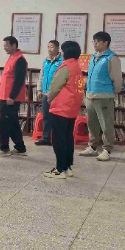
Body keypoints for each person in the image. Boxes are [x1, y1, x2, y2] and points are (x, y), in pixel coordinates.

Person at [80, 32, 122, 161]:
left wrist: (114, 92)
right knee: (91, 123)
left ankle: (107, 150)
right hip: (90, 95)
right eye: (94, 41)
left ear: (105, 43)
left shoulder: (112, 58)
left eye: (97, 41)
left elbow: (117, 78)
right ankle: (92, 147)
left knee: (106, 124)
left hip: (104, 96)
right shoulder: (93, 57)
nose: (94, 44)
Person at [43, 41, 82, 180]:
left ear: (66, 52)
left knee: (58, 139)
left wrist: (49, 98)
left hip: (61, 107)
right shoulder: (77, 66)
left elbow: (55, 86)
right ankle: (67, 167)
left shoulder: (65, 66)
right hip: (72, 107)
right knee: (67, 137)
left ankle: (59, 169)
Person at [0, 36, 28, 158]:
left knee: (4, 123)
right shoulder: (12, 57)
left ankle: (4, 148)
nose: (5, 48)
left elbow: (19, 80)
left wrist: (12, 97)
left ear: (14, 45)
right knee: (12, 123)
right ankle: (20, 147)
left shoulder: (20, 59)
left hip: (11, 98)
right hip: (5, 96)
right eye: (4, 46)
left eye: (7, 46)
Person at [35, 40, 63, 146]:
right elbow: (41, 75)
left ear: (57, 48)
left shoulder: (62, 61)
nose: (49, 49)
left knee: (57, 117)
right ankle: (46, 138)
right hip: (45, 93)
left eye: (51, 47)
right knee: (46, 116)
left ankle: (57, 139)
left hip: (56, 94)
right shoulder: (46, 61)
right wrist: (39, 89)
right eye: (48, 47)